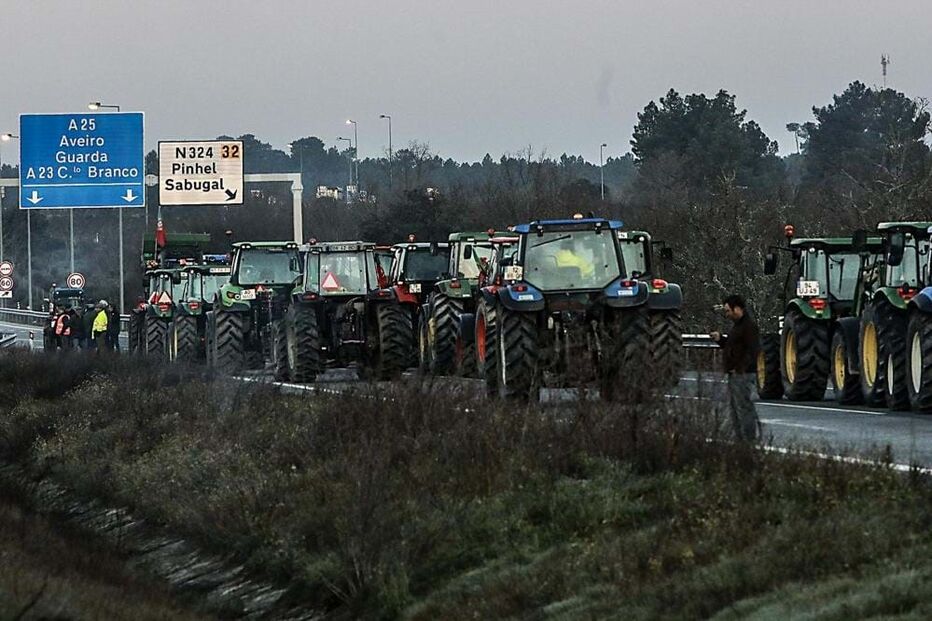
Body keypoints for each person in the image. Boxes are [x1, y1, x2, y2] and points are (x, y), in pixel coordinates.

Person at [710, 294, 761, 442]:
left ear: (737, 309)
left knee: (744, 409)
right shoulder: (738, 327)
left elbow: (753, 351)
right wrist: (721, 340)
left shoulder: (749, 327)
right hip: (736, 374)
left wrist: (740, 368)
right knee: (736, 410)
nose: (727, 315)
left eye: (728, 311)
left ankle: (748, 441)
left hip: (743, 374)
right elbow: (733, 348)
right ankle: (740, 441)